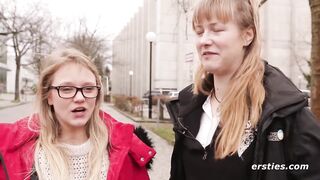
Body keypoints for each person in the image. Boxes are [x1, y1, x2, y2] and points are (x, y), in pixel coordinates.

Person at [166, 0, 320, 180]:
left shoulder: (283, 114)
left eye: (216, 30)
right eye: (199, 31)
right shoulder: (188, 109)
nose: (204, 40)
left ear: (248, 35)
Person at [0, 48, 156, 180]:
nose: (80, 98)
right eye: (66, 89)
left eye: (88, 88)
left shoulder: (127, 154)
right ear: (49, 96)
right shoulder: (10, 153)